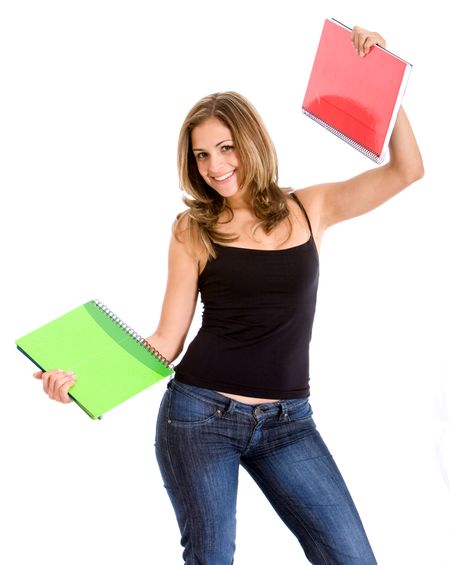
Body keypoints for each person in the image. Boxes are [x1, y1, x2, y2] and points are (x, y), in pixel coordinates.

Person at [33, 26, 423, 565]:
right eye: (201, 156)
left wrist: (386, 80)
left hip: (290, 424)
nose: (215, 167)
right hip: (199, 418)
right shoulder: (190, 230)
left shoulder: (311, 207)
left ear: (251, 142)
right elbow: (167, 341)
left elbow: (407, 170)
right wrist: (81, 382)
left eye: (226, 148)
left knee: (353, 557)